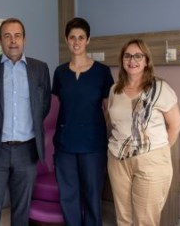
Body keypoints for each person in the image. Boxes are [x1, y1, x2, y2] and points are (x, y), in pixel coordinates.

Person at [0, 17, 51, 226]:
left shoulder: (39, 69)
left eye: (17, 36)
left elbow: (43, 107)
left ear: (25, 39)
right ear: (0, 41)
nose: (13, 41)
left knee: (21, 212)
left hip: (27, 151)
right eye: (7, 36)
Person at [107, 38, 180, 226]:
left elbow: (175, 126)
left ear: (146, 60)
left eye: (138, 56)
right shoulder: (114, 90)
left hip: (151, 161)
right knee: (123, 218)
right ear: (122, 60)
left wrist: (157, 152)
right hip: (117, 159)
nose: (132, 60)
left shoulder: (160, 88)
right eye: (128, 56)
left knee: (145, 220)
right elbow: (113, 123)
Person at [52, 17, 114, 226]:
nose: (76, 42)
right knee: (68, 195)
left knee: (92, 195)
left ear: (88, 40)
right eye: (72, 38)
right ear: (66, 40)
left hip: (93, 145)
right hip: (65, 145)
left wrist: (95, 128)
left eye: (81, 37)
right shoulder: (60, 72)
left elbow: (108, 109)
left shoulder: (102, 73)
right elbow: (63, 103)